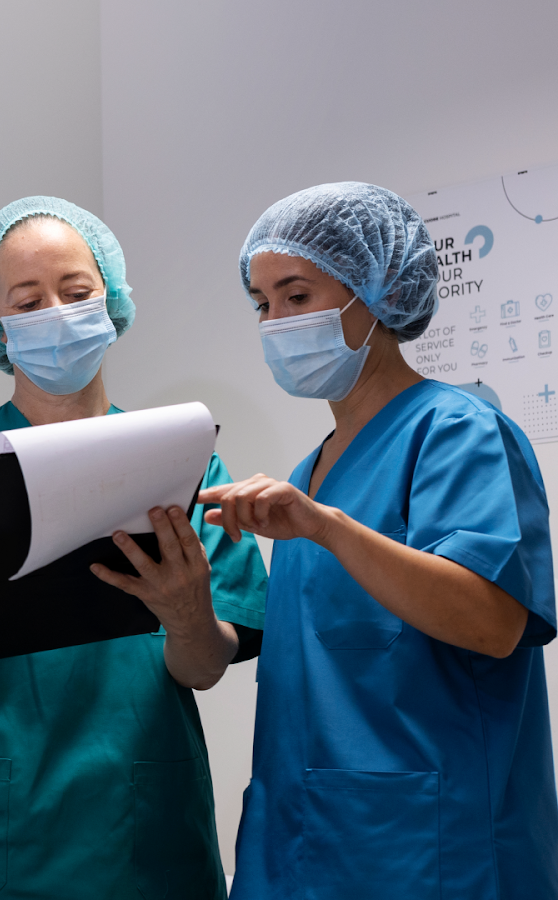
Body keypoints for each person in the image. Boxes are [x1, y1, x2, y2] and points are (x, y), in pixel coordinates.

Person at [0, 197, 268, 900]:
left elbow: (205, 666)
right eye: (28, 301)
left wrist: (185, 612)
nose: (55, 312)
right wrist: (63, 535)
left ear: (110, 300)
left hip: (135, 837)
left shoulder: (183, 463)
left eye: (77, 292)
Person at [215, 182, 558, 898]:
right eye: (261, 302)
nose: (275, 321)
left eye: (297, 295)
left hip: (428, 852)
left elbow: (493, 623)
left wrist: (327, 527)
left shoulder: (457, 433)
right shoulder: (312, 471)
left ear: (378, 291)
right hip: (302, 842)